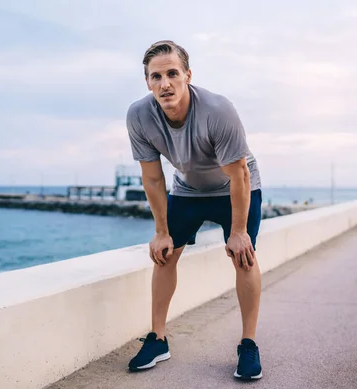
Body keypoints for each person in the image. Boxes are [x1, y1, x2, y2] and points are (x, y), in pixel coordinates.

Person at [125, 40, 263, 380]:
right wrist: (160, 232)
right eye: (156, 76)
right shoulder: (139, 115)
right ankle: (158, 339)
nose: (165, 83)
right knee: (165, 254)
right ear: (147, 82)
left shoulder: (218, 110)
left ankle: (248, 344)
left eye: (172, 73)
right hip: (187, 189)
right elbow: (153, 178)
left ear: (188, 75)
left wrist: (239, 231)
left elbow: (239, 174)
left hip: (235, 185)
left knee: (243, 255)